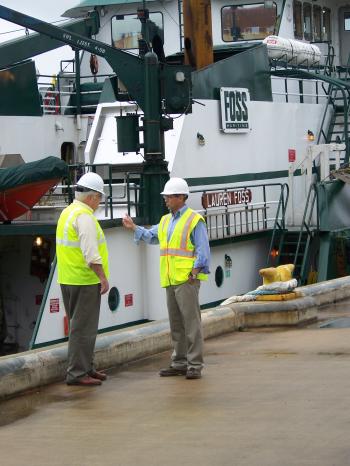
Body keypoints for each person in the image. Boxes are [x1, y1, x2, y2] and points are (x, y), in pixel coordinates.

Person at [123, 177, 210, 379]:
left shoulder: (194, 220)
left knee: (191, 323)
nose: (165, 200)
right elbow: (152, 236)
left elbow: (203, 251)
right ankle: (179, 362)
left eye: (169, 196)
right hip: (171, 280)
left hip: (186, 280)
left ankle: (194, 365)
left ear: (181, 197)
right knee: (176, 324)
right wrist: (134, 228)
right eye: (165, 197)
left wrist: (194, 273)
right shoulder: (165, 221)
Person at [56, 172, 110, 387]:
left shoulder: (67, 212)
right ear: (91, 197)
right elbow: (91, 253)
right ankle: (78, 373)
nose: (99, 203)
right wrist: (103, 278)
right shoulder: (84, 217)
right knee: (84, 329)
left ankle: (87, 367)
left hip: (67, 279)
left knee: (79, 326)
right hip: (85, 280)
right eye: (99, 198)